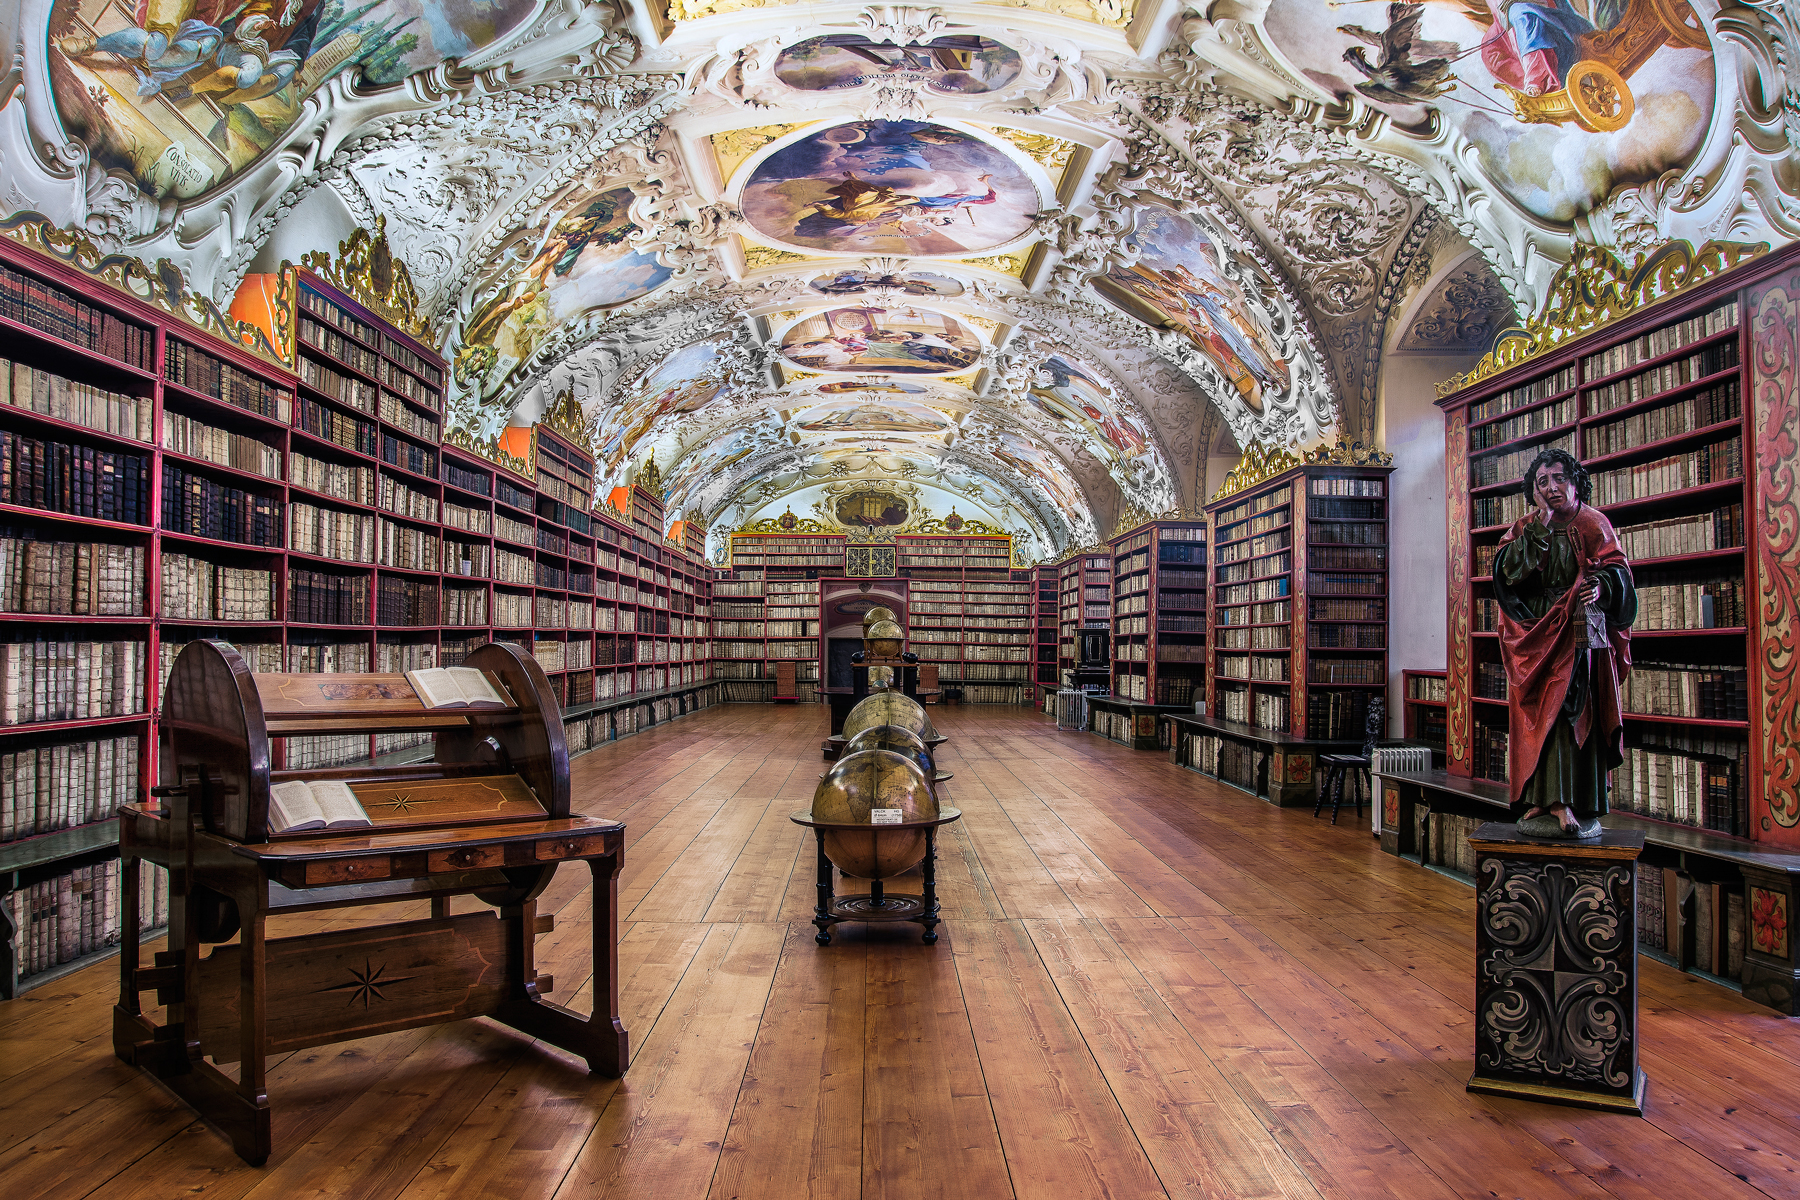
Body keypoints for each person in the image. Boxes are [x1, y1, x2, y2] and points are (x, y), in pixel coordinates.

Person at [1492, 448, 1636, 835]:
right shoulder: (1526, 525)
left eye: (1559, 478)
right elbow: (1507, 574)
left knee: (1571, 712)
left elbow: (1619, 574)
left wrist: (1601, 585)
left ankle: (1570, 801)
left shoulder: (1594, 522)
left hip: (1579, 631)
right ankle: (1541, 799)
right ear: (1533, 491)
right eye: (1542, 482)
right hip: (1536, 632)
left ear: (1574, 482)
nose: (1552, 487)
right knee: (1538, 714)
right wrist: (1541, 524)